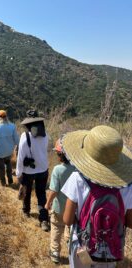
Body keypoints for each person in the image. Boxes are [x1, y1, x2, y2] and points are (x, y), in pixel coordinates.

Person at [60, 125, 132, 268]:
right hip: (110, 251)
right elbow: (130, 222)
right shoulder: (127, 187)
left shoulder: (77, 179)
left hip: (82, 246)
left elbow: (67, 219)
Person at [16, 110, 49, 232]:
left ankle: (26, 211)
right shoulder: (46, 135)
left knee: (27, 191)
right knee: (41, 194)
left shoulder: (25, 137)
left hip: (29, 171)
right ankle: (44, 219)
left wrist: (19, 173)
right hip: (43, 169)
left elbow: (20, 157)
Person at [45, 139, 75, 264]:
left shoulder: (58, 170)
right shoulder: (77, 169)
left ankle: (55, 253)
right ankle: (71, 250)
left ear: (60, 155)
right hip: (73, 208)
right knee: (70, 228)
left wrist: (47, 204)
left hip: (59, 207)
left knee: (56, 228)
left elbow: (54, 191)